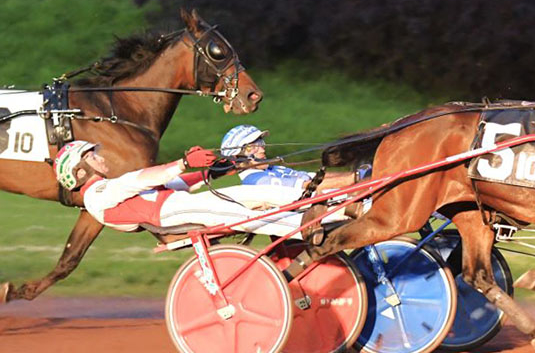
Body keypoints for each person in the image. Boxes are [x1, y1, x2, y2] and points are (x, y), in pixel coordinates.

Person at [52, 140, 321, 239]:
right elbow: (138, 179)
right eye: (90, 156)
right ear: (80, 172)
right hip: (170, 214)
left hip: (177, 204)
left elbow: (173, 184)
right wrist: (182, 162)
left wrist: (219, 170)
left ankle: (322, 205)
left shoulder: (109, 188)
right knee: (242, 215)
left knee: (257, 195)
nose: (100, 157)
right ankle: (307, 228)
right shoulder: (97, 197)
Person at [218, 124, 360, 210]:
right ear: (238, 156)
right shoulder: (257, 180)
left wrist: (356, 174)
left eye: (261, 143)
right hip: (316, 209)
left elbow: (315, 177)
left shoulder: (270, 169)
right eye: (253, 147)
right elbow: (310, 186)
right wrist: (358, 178)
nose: (262, 149)